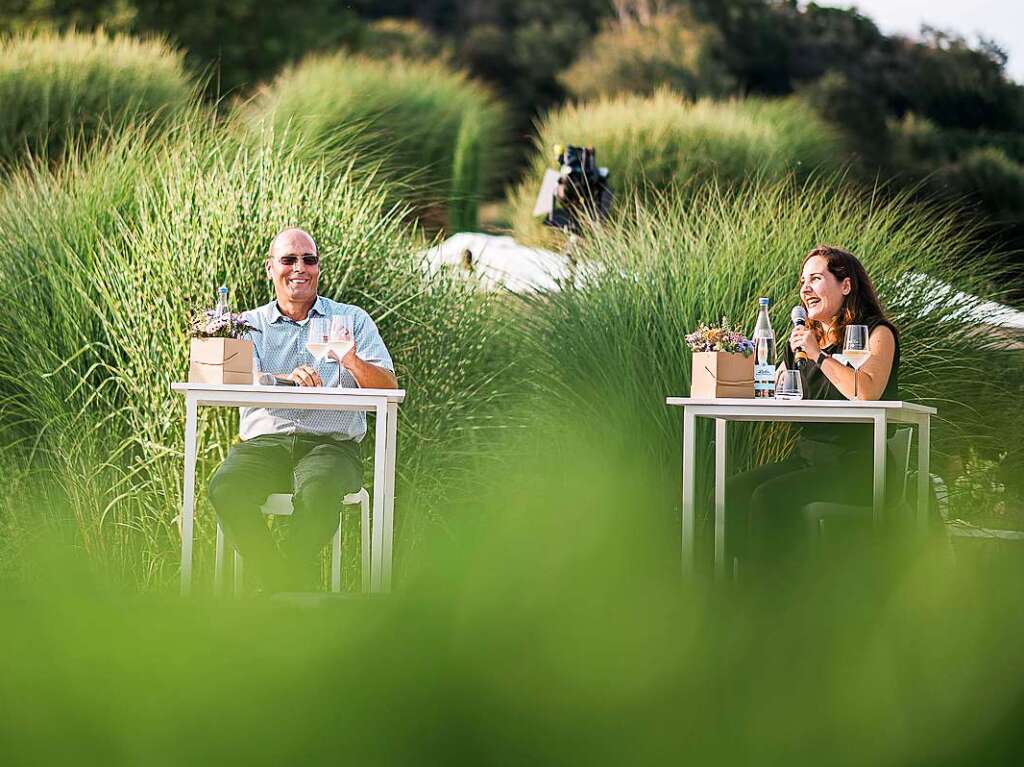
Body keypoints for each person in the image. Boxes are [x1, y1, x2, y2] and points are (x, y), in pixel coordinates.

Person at [208, 227, 398, 592]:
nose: (300, 268)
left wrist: (352, 360)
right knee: (225, 487)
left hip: (331, 446)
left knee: (319, 491)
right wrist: (284, 379)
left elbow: (389, 388)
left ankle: (279, 589)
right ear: (269, 268)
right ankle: (285, 583)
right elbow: (234, 381)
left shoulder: (351, 320)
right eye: (288, 259)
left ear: (318, 268)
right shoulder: (246, 325)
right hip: (265, 445)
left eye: (308, 260)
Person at [725, 245, 900, 580]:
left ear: (845, 285)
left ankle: (781, 600)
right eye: (803, 281)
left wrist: (819, 354)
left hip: (859, 465)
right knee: (731, 492)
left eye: (816, 279)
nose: (805, 289)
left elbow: (865, 392)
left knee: (769, 498)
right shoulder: (804, 342)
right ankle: (738, 592)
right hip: (808, 460)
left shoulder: (877, 334)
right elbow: (771, 388)